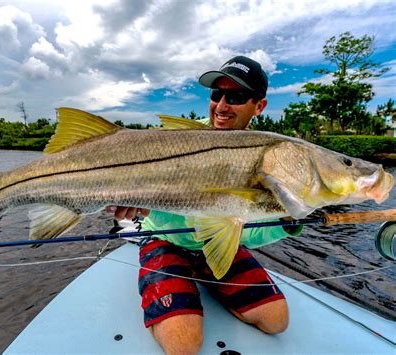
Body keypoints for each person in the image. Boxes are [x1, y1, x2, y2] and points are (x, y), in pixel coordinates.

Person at [108, 56, 302, 354]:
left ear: (259, 106)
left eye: (236, 96)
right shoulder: (177, 138)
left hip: (218, 243)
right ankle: (198, 278)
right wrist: (137, 206)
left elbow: (245, 231)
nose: (222, 105)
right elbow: (152, 206)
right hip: (166, 240)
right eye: (216, 94)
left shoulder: (269, 155)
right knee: (182, 345)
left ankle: (207, 277)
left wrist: (288, 219)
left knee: (276, 321)